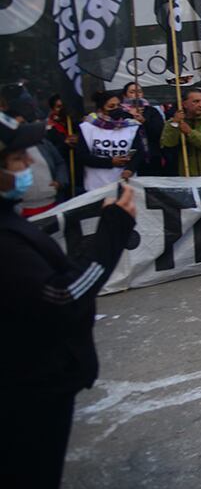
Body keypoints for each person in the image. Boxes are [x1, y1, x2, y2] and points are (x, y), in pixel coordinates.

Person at [0, 113, 137, 489]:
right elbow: (64, 295)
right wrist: (112, 233)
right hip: (28, 393)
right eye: (16, 159)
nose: (28, 164)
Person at [77, 91, 146, 191]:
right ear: (101, 109)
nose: (116, 109)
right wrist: (110, 162)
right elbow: (82, 156)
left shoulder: (131, 126)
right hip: (96, 185)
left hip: (125, 185)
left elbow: (139, 152)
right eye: (111, 106)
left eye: (118, 105)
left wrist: (130, 169)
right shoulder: (87, 127)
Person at [160, 87, 201, 177]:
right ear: (184, 104)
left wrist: (190, 132)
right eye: (196, 101)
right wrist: (175, 125)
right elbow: (167, 144)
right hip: (183, 176)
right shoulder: (173, 122)